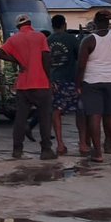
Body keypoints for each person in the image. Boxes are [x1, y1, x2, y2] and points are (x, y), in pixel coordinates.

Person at [0, 14, 54, 160]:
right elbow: (46, 58)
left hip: (23, 84)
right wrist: (50, 79)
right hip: (41, 83)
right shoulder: (40, 37)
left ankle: (17, 150)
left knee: (20, 118)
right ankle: (46, 150)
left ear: (17, 26)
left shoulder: (13, 39)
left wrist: (17, 61)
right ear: (30, 22)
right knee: (45, 118)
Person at [77, 10, 111, 163]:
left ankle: (98, 153)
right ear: (109, 23)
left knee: (94, 116)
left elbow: (81, 65)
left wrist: (78, 83)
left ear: (94, 23)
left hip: (92, 80)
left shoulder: (88, 40)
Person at [47, 15, 81, 157]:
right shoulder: (72, 39)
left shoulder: (47, 40)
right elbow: (80, 57)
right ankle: (83, 143)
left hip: (54, 80)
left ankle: (60, 144)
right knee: (80, 110)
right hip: (71, 80)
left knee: (56, 112)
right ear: (64, 25)